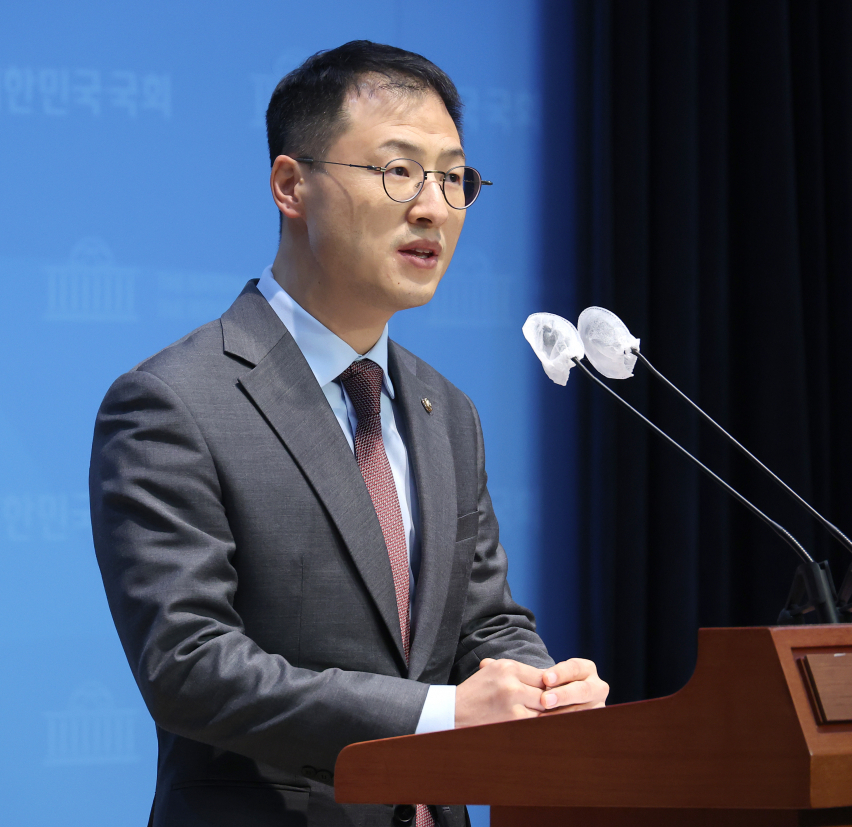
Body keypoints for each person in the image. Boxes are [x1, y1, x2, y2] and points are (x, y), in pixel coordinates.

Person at [88, 41, 608, 827]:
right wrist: (439, 713)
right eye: (398, 171)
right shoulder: (173, 403)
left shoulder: (446, 409)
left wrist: (541, 691)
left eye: (453, 177)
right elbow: (189, 665)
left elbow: (485, 620)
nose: (432, 206)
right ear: (291, 185)